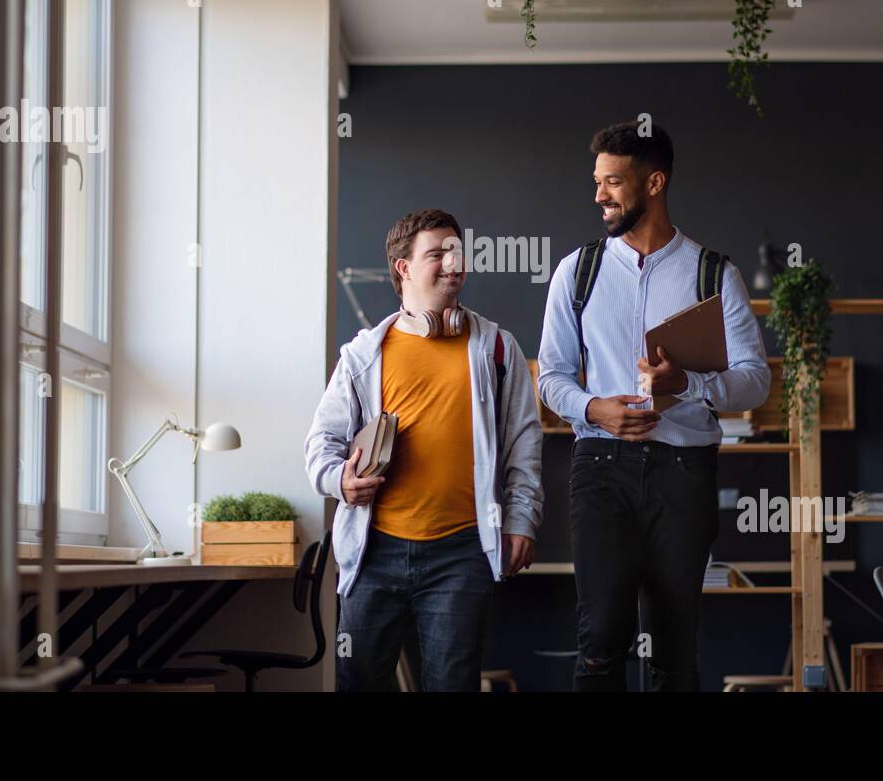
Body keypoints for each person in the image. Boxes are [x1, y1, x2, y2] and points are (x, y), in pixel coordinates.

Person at [538, 121, 770, 691]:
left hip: (683, 473)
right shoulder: (578, 271)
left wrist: (687, 383)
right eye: (597, 181)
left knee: (675, 646)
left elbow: (755, 382)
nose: (599, 195)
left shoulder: (715, 275)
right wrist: (596, 410)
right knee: (599, 644)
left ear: (655, 182)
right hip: (600, 469)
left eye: (612, 182)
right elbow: (552, 377)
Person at [304, 208, 544, 691]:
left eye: (458, 253)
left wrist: (522, 519)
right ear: (404, 267)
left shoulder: (498, 349)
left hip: (462, 552)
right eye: (438, 254)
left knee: (452, 684)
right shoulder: (363, 354)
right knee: (358, 682)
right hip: (374, 552)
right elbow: (321, 446)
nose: (454, 265)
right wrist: (341, 482)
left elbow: (524, 447)